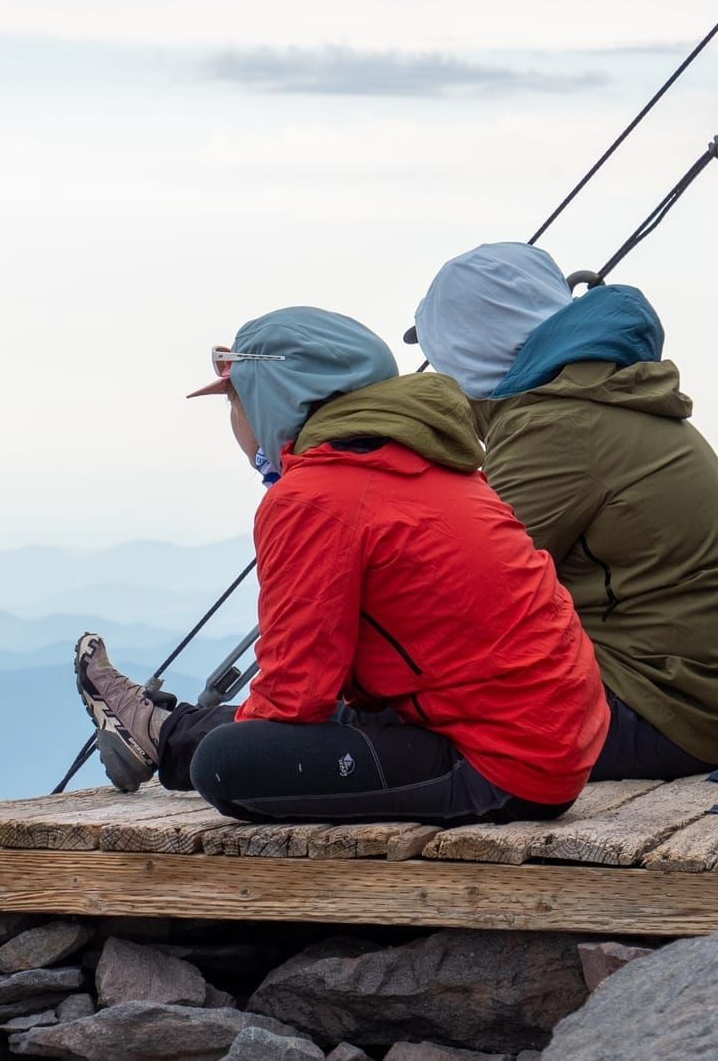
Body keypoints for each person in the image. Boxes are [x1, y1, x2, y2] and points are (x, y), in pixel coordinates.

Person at [73, 306, 609, 824]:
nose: (235, 422)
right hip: (548, 735)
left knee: (227, 763)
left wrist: (244, 744)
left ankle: (168, 737)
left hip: (503, 767)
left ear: (271, 399)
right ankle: (159, 731)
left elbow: (293, 697)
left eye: (235, 402)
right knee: (312, 723)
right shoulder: (436, 468)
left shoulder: (314, 497)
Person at [408, 242, 718, 781]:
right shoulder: (597, 396)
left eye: (442, 357)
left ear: (470, 349)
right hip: (697, 701)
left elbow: (458, 592)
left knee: (397, 730)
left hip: (658, 709)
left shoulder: (556, 425)